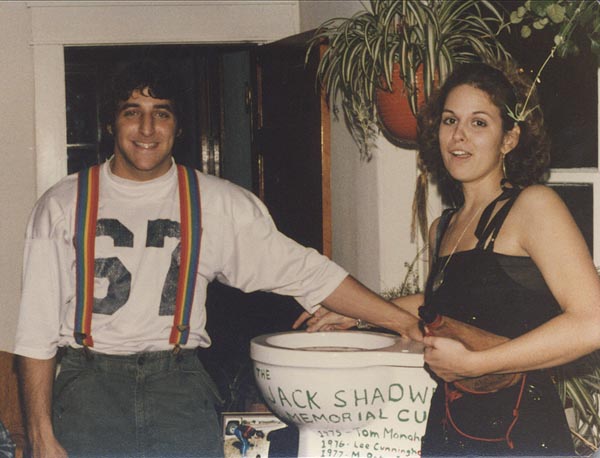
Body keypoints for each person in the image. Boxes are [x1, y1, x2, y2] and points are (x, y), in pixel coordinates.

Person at [13, 60, 422, 458]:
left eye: (162, 113)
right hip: (88, 391)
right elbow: (36, 330)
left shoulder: (216, 202)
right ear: (110, 123)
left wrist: (401, 321)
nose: (147, 128)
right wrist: (39, 435)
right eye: (132, 112)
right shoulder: (63, 204)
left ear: (178, 126)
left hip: (178, 389)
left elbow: (308, 272)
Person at [296, 61, 600, 456]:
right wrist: (358, 314)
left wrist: (478, 364)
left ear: (509, 139)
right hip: (451, 422)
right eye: (450, 120)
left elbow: (591, 323)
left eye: (479, 123)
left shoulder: (533, 206)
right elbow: (440, 305)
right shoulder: (443, 226)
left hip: (520, 429)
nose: (459, 135)